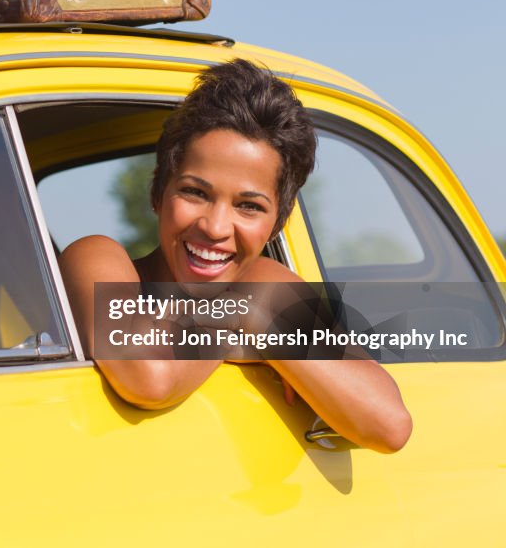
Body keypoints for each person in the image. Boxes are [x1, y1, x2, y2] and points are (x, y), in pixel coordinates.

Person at [59, 59, 412, 453]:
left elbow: (388, 425)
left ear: (276, 224)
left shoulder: (266, 282)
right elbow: (149, 374)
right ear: (158, 192)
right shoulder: (95, 257)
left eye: (249, 206)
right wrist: (249, 318)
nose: (215, 227)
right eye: (195, 192)